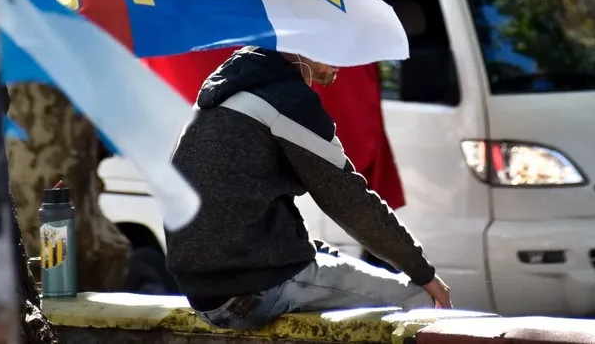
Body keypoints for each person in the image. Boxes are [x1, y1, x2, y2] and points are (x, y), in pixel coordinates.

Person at [165, 46, 451, 331]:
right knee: (418, 300)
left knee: (332, 260)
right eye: (335, 47)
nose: (344, 63)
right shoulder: (286, 100)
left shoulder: (226, 91)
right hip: (254, 289)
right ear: (305, 43)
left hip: (203, 293)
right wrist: (423, 273)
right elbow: (349, 200)